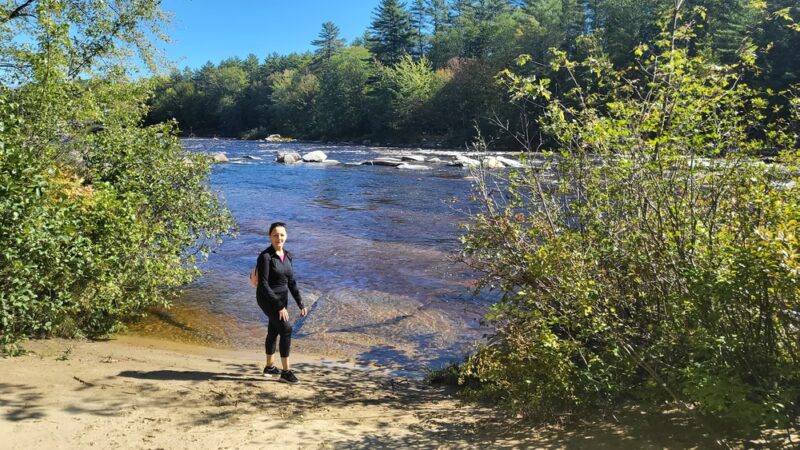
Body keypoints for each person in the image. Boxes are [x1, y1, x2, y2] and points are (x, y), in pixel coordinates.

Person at [254, 222, 308, 383]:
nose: (279, 238)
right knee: (286, 329)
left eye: (282, 235)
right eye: (275, 235)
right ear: (270, 237)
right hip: (267, 298)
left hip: (282, 298)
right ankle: (285, 372)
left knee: (274, 330)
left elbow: (291, 282)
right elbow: (263, 285)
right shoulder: (265, 257)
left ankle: (269, 367)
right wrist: (279, 306)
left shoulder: (288, 256)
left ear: (286, 236)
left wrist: (300, 302)